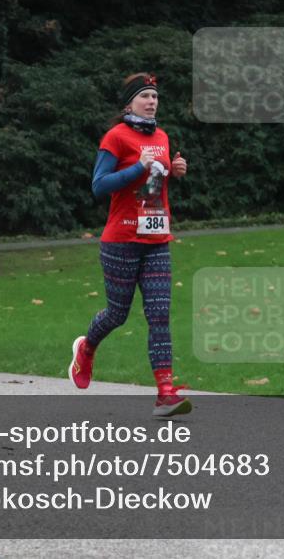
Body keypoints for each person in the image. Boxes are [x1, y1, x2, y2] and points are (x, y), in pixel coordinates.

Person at [70, 72, 192, 417]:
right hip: (121, 240)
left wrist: (175, 170)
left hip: (156, 239)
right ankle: (87, 348)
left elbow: (154, 186)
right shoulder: (115, 137)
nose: (152, 102)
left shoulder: (163, 137)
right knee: (117, 314)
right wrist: (136, 167)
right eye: (145, 96)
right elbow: (99, 186)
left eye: (155, 96)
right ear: (129, 103)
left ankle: (165, 393)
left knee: (159, 315)